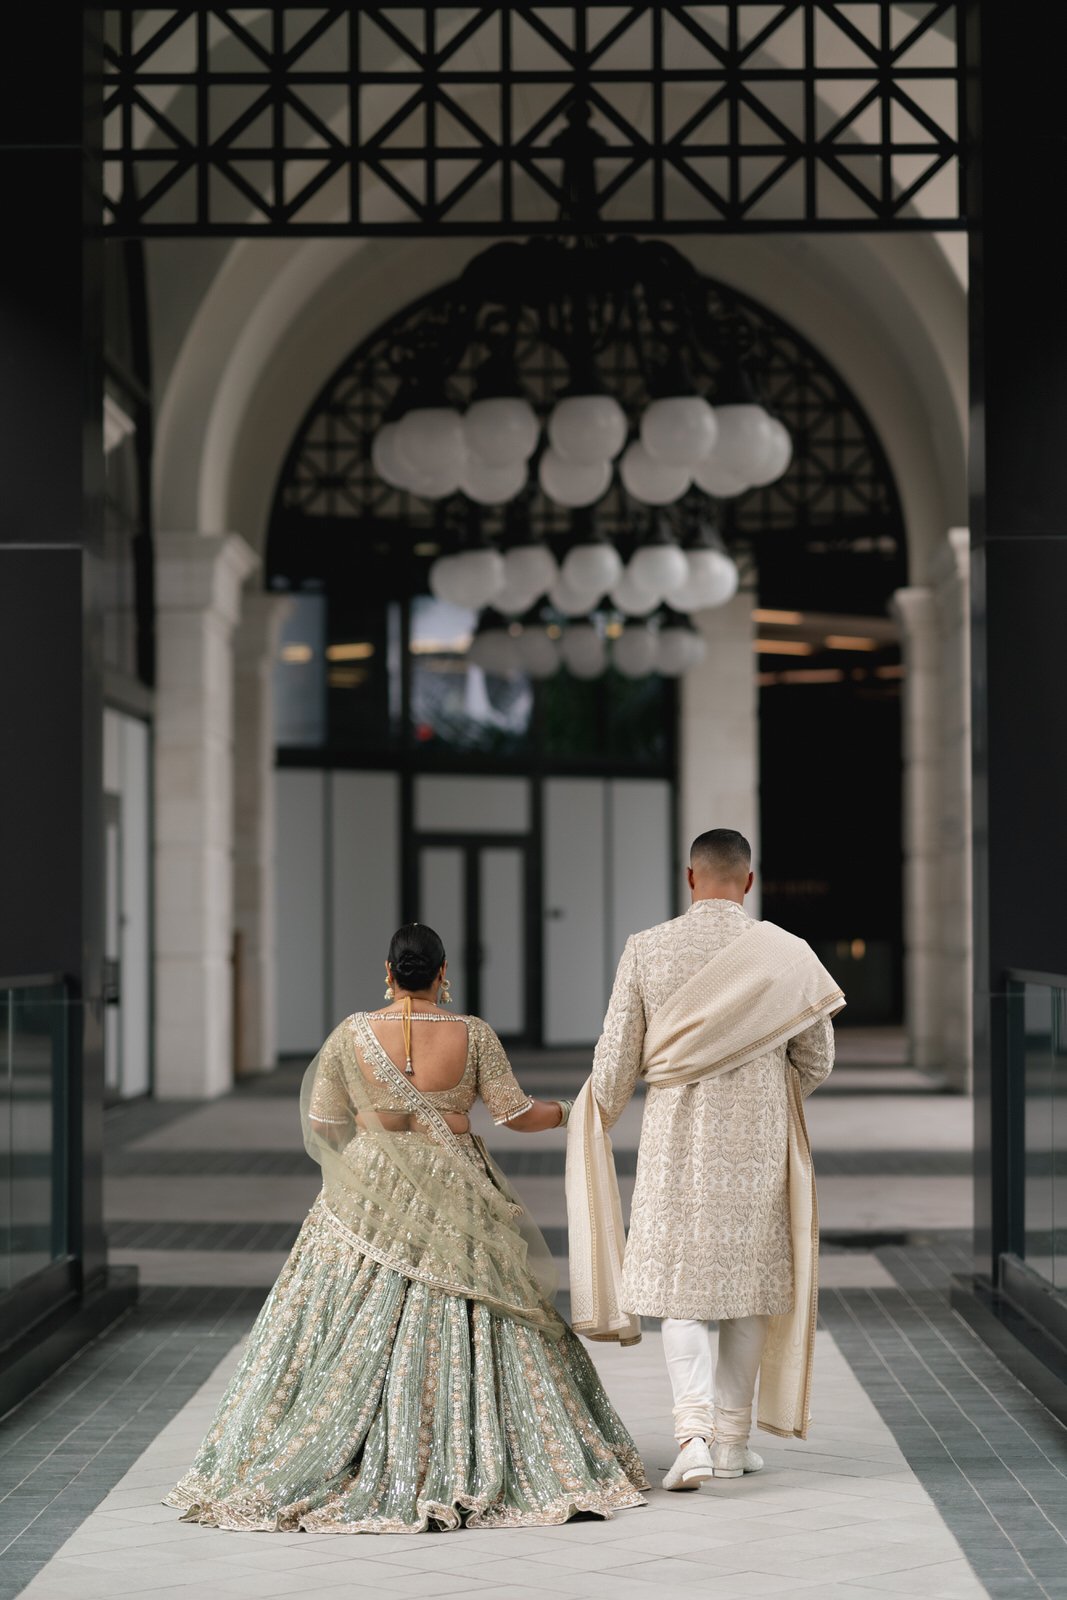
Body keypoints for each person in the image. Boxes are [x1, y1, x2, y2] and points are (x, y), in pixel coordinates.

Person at [165, 923, 647, 1534]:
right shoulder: (472, 1035)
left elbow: (324, 1123)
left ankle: (344, 1449)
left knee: (336, 1315)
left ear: (388, 973)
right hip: (458, 1183)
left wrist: (372, 1165)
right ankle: (490, 1454)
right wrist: (578, 1115)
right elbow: (515, 1115)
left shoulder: (350, 1036)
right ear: (444, 975)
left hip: (368, 1188)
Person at [566, 829, 843, 1492]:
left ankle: (689, 1438)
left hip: (673, 1141)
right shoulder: (787, 954)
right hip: (756, 1144)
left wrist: (588, 1120)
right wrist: (761, 1094)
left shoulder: (646, 949)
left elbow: (611, 1070)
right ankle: (728, 1443)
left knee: (679, 1291)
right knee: (749, 1293)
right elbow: (817, 1060)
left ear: (689, 878)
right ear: (746, 882)